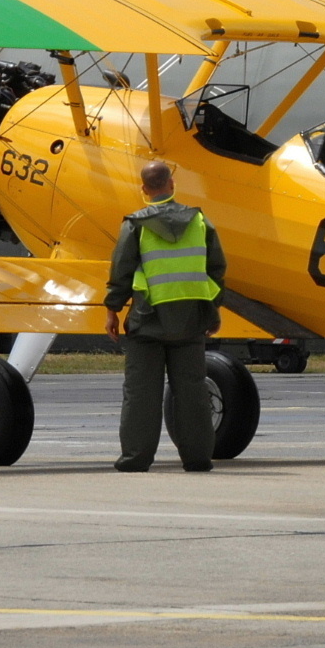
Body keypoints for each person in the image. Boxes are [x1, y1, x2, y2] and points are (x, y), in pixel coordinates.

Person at [104, 161, 225, 472]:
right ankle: (198, 458)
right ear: (172, 184)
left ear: (144, 190)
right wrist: (211, 311)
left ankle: (136, 458)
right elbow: (216, 270)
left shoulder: (135, 224)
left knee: (141, 394)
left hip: (148, 320)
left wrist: (112, 310)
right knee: (193, 392)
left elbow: (121, 270)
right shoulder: (199, 221)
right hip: (191, 321)